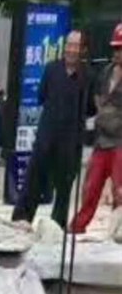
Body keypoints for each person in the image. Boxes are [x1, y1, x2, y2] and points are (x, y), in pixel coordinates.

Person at [11, 30, 92, 231]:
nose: (71, 50)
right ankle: (22, 218)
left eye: (76, 46)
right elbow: (42, 96)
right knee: (34, 179)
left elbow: (91, 107)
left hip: (71, 139)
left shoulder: (88, 75)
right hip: (47, 134)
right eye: (69, 45)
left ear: (83, 50)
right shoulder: (51, 69)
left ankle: (57, 225)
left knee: (64, 186)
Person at [70, 24, 122, 235]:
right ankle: (77, 226)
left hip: (120, 142)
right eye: (116, 48)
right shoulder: (105, 73)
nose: (117, 53)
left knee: (120, 190)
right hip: (102, 141)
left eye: (121, 49)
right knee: (90, 187)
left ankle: (118, 229)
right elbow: (96, 99)